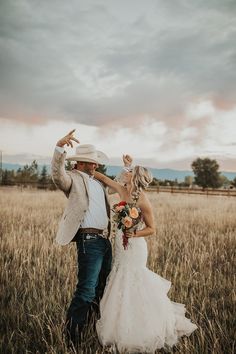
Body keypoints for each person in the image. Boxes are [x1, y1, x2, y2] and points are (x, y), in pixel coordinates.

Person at [94, 163, 197, 353]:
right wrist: (87, 170)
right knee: (119, 276)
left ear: (135, 177)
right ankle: (118, 323)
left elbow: (152, 228)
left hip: (135, 246)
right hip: (120, 245)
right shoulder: (122, 189)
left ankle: (139, 327)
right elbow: (104, 179)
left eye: (130, 172)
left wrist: (134, 234)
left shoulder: (143, 200)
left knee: (132, 279)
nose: (126, 173)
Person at [51, 129, 121, 348]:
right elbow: (57, 175)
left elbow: (118, 188)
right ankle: (72, 336)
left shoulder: (98, 184)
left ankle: (92, 326)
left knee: (102, 288)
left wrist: (128, 169)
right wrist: (59, 147)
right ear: (81, 163)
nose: (96, 166)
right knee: (86, 290)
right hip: (88, 241)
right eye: (92, 162)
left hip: (104, 241)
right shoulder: (72, 179)